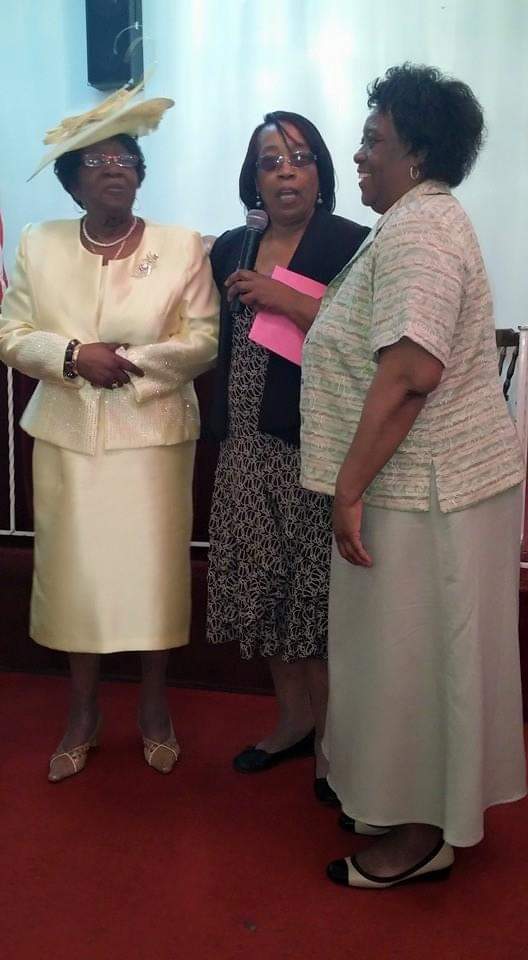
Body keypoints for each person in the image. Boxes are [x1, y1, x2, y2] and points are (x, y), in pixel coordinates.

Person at [301, 64, 526, 886]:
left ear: (418, 154)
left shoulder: (421, 229)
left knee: (412, 664)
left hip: (428, 491)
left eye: (374, 140)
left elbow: (410, 371)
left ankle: (422, 833)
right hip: (420, 484)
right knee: (401, 659)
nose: (358, 154)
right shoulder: (410, 221)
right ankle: (402, 803)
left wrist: (349, 489)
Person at [0, 83, 218, 781]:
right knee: (76, 580)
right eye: (95, 160)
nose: (114, 168)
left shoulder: (182, 247)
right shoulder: (39, 243)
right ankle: (83, 712)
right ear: (72, 181)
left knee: (152, 579)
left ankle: (154, 708)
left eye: (125, 157)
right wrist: (71, 357)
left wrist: (124, 364)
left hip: (153, 439)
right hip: (69, 439)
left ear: (140, 173)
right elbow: (11, 334)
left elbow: (204, 339)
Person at [206, 111, 368, 800]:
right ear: (254, 179)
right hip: (244, 447)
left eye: (299, 157)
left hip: (314, 448)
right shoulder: (231, 247)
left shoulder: (350, 244)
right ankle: (294, 722)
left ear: (321, 171)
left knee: (314, 603)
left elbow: (366, 340)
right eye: (270, 161)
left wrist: (287, 299)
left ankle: (333, 746)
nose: (286, 172)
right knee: (264, 592)